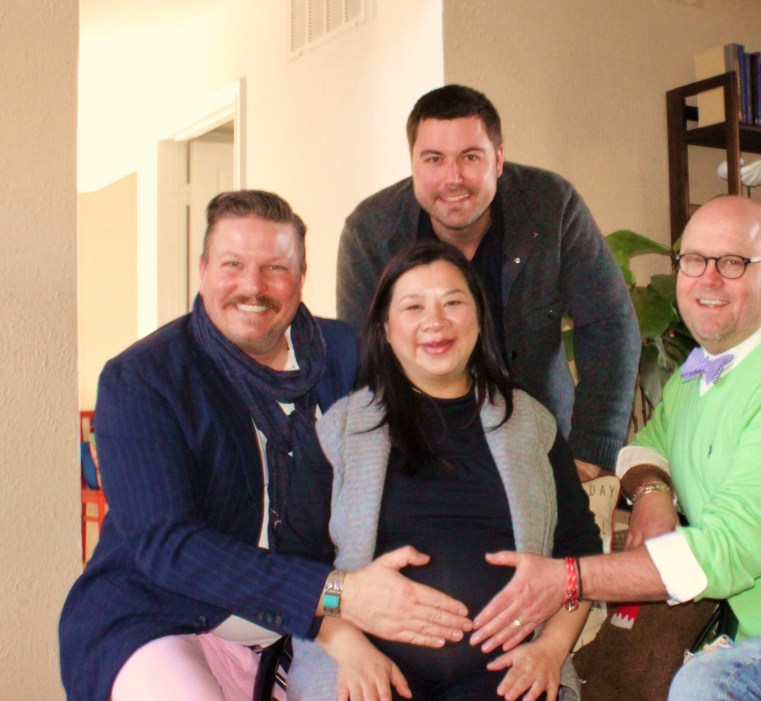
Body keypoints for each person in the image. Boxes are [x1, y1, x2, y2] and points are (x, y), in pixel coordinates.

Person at [469, 196, 761, 700]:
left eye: (734, 262)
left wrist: (570, 578)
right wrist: (652, 492)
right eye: (693, 260)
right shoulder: (702, 369)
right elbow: (645, 445)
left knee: (709, 686)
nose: (708, 279)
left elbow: (727, 553)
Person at [59, 191, 472, 701]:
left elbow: (407, 464)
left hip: (302, 632)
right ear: (205, 269)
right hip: (160, 617)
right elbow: (168, 547)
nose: (252, 287)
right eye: (233, 264)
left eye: (275, 267)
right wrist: (338, 598)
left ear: (301, 278)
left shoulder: (348, 355)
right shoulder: (143, 379)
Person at [289, 241, 602, 701]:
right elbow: (296, 566)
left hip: (509, 671)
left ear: (479, 318)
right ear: (386, 328)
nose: (435, 322)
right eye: (413, 306)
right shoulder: (341, 428)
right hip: (364, 665)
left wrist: (551, 650)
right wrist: (350, 647)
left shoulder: (532, 424)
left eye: (453, 303)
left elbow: (581, 556)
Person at [336, 84, 640, 479]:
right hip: (423, 455)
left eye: (470, 156)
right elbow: (365, 363)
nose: (453, 177)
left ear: (498, 159)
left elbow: (610, 324)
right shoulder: (369, 232)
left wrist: (589, 453)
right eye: (433, 159)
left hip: (543, 448)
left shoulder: (551, 205)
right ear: (412, 162)